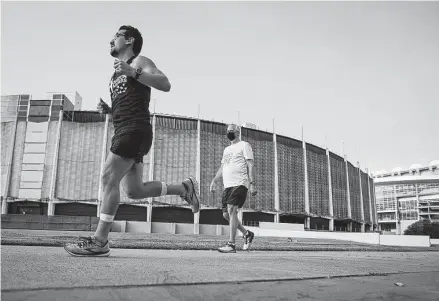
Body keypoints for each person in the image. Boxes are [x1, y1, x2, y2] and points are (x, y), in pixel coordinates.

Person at [64, 25, 199, 257]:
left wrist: (133, 72)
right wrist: (108, 110)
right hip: (125, 130)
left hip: (134, 130)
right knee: (135, 191)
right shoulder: (116, 73)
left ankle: (100, 240)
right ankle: (183, 188)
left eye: (115, 36)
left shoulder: (139, 61)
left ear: (129, 40)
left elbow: (165, 84)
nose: (110, 40)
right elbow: (128, 102)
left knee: (108, 177)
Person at [210, 124, 257, 253]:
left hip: (240, 183)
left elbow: (250, 164)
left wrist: (252, 183)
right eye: (227, 131)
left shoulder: (244, 145)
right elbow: (222, 168)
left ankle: (231, 244)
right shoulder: (227, 150)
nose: (228, 133)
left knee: (232, 210)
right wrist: (214, 180)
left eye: (231, 131)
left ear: (237, 132)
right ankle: (247, 233)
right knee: (226, 214)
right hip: (228, 185)